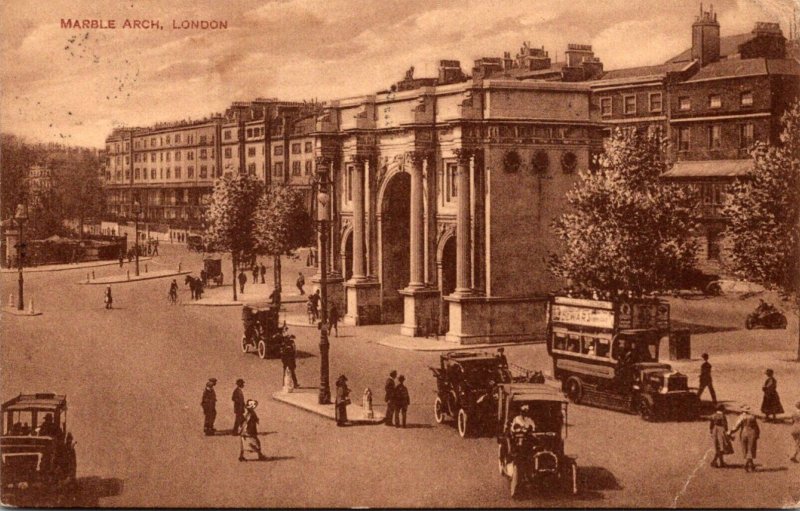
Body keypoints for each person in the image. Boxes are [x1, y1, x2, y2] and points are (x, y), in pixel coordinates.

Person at [729, 406, 760, 472]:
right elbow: (756, 427)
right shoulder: (752, 417)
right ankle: (750, 464)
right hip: (752, 433)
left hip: (744, 433)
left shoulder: (741, 417)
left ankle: (748, 464)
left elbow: (736, 427)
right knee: (751, 448)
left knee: (745, 448)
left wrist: (731, 431)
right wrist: (757, 434)